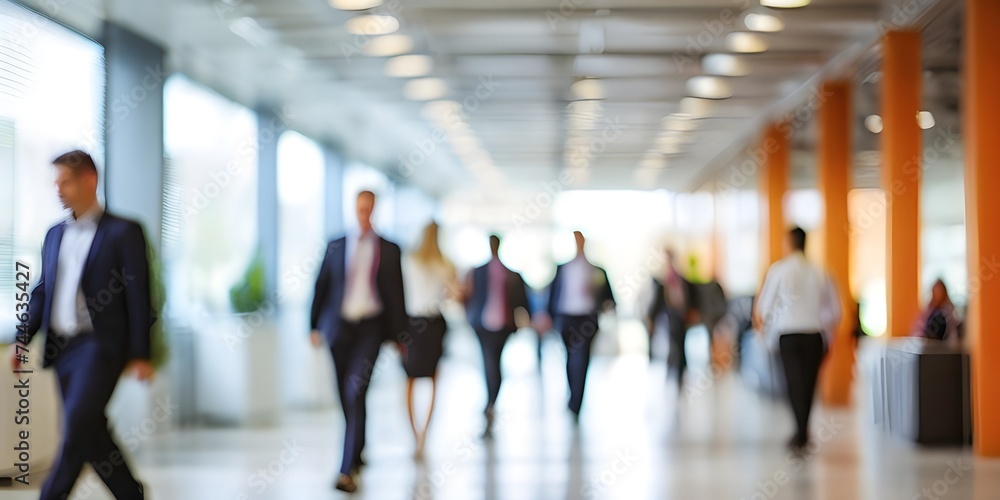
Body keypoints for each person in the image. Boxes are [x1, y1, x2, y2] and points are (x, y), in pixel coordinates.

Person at [9, 150, 153, 500]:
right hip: (63, 347)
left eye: (66, 182)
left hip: (100, 346)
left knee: (77, 422)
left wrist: (141, 352)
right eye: (56, 183)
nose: (59, 190)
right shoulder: (54, 234)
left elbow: (139, 294)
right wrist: (22, 338)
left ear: (90, 180)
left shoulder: (124, 231)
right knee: (85, 428)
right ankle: (131, 494)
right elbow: (43, 290)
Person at [310, 190, 407, 493]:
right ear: (354, 209)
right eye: (360, 208)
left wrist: (400, 335)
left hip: (371, 329)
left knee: (356, 391)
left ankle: (346, 470)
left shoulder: (389, 249)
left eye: (369, 208)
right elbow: (321, 287)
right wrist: (313, 326)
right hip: (338, 329)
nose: (364, 212)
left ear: (375, 209)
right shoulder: (336, 245)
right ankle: (359, 447)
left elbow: (397, 294)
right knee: (346, 395)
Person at [754, 227, 841, 453]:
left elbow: (765, 306)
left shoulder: (779, 270)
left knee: (793, 384)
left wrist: (767, 330)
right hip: (814, 336)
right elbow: (835, 311)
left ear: (789, 243)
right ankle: (803, 431)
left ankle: (800, 432)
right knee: (809, 385)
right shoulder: (820, 271)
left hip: (789, 336)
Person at [463, 234, 531, 438]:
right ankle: (491, 402)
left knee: (494, 363)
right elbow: (468, 297)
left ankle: (491, 401)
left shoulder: (510, 273)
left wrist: (529, 318)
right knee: (490, 363)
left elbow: (521, 299)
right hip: (483, 325)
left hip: (503, 325)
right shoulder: (477, 272)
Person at [400, 222, 458, 457]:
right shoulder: (445, 264)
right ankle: (423, 435)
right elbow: (454, 294)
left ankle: (415, 434)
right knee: (433, 379)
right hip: (433, 324)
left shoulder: (410, 261)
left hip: (414, 324)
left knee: (410, 380)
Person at [545, 231, 615, 421]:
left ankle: (577, 402)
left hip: (587, 318)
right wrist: (548, 317)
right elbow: (553, 294)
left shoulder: (596, 270)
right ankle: (572, 395)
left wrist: (603, 306)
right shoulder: (563, 268)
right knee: (570, 357)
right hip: (566, 317)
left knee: (581, 358)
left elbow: (610, 298)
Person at [647, 249, 698, 388]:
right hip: (671, 317)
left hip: (681, 316)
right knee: (674, 344)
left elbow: (690, 297)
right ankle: (674, 371)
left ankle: (680, 371)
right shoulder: (664, 280)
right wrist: (651, 319)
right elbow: (658, 302)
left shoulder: (681, 279)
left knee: (680, 344)